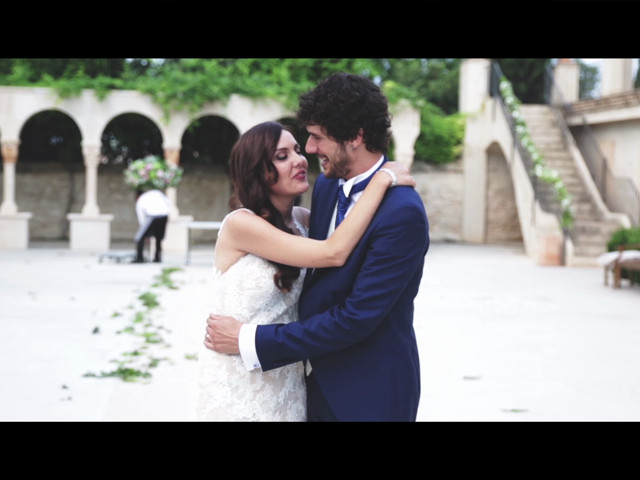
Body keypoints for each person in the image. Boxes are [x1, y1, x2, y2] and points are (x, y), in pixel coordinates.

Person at [205, 73, 430, 422]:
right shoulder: (325, 187)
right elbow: (328, 260)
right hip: (302, 385)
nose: (308, 151)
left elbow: (355, 318)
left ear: (355, 136)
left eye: (315, 138)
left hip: (370, 393)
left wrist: (251, 340)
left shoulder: (402, 213)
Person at [133, 189, 170, 263]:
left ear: (137, 196)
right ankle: (157, 257)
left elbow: (142, 219)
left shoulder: (140, 201)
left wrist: (145, 235)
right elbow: (168, 201)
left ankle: (140, 257)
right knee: (158, 237)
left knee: (139, 237)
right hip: (164, 215)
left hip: (153, 216)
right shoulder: (156, 193)